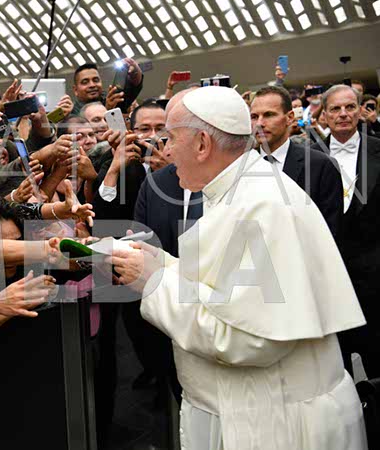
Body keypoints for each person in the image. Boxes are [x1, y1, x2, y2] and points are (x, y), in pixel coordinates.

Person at [110, 86, 367, 449]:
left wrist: (154, 282)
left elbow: (246, 339)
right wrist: (161, 264)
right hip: (253, 410)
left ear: (202, 144)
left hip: (274, 423)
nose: (165, 151)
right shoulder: (242, 190)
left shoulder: (258, 206)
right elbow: (224, 290)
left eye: (171, 138)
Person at [311, 84, 380, 378]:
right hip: (330, 278)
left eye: (350, 107)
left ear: (360, 111)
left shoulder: (378, 148)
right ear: (324, 115)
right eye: (335, 109)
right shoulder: (308, 157)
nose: (343, 114)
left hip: (375, 277)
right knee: (336, 369)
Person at [250, 86, 343, 237]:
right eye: (254, 117)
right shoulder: (240, 166)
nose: (259, 123)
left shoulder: (321, 166)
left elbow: (330, 231)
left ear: (290, 117)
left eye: (269, 115)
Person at [71, 61, 143, 116]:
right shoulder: (71, 112)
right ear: (75, 90)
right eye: (85, 82)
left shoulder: (112, 100)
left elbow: (133, 88)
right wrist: (107, 111)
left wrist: (135, 70)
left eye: (96, 80)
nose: (92, 85)